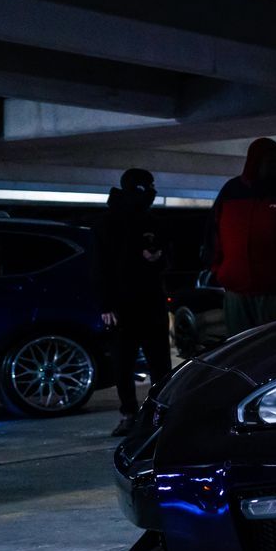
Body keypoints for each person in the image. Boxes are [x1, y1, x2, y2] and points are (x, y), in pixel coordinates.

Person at [203, 137, 276, 336]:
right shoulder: (231, 191)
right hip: (236, 289)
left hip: (275, 290)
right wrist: (218, 269)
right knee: (239, 347)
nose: (275, 167)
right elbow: (213, 232)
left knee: (275, 347)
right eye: (270, 162)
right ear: (255, 162)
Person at [96, 168, 171, 437]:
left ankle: (155, 412)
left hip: (147, 301)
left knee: (156, 361)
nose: (152, 191)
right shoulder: (109, 222)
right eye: (147, 187)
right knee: (126, 362)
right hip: (126, 303)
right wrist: (106, 304)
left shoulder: (151, 221)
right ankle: (133, 413)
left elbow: (164, 259)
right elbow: (102, 265)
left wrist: (157, 258)